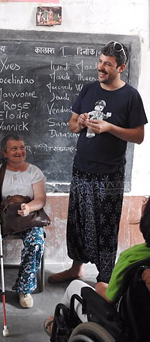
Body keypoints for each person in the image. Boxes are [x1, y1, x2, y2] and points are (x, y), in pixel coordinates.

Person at [48, 41, 147, 284]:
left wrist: (109, 127)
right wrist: (80, 122)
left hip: (109, 174)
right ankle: (76, 269)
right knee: (78, 222)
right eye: (100, 62)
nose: (101, 68)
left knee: (105, 227)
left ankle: (104, 278)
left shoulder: (131, 96)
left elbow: (139, 136)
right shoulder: (89, 89)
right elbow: (72, 126)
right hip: (81, 169)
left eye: (108, 65)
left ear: (121, 67)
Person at [44, 196, 150, 335]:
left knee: (75, 287)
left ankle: (57, 327)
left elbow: (110, 298)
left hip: (122, 328)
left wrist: (100, 286)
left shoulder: (132, 257)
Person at [0, 134, 46, 309]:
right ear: (4, 153)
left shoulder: (34, 171)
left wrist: (29, 207)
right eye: (14, 148)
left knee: (36, 242)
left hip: (27, 217)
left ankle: (25, 288)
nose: (19, 152)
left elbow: (41, 200)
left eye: (22, 147)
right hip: (3, 216)